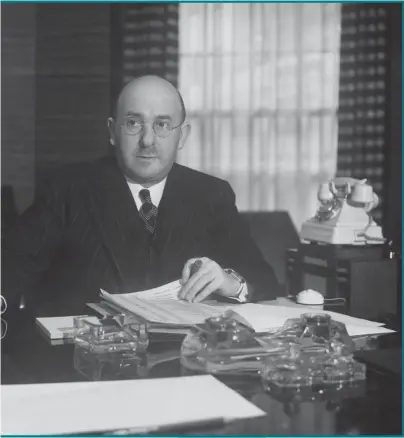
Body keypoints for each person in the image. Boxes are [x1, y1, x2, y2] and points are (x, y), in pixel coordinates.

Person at [2, 75, 279, 318]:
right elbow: (10, 267)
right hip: (84, 361)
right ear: (112, 131)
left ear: (182, 136)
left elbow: (264, 281)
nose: (148, 140)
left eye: (162, 125)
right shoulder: (67, 189)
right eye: (134, 123)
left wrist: (231, 283)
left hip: (182, 363)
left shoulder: (211, 194)